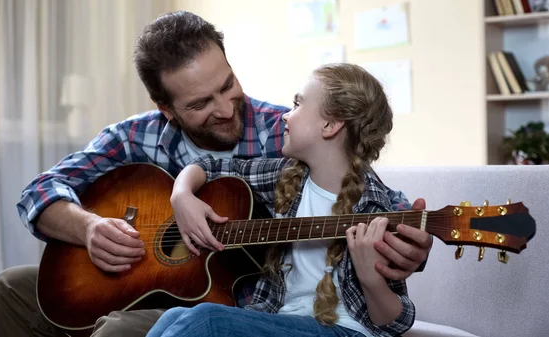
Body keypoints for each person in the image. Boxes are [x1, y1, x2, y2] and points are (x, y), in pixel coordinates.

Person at [0, 11, 432, 337]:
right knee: (11, 287)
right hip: (143, 281)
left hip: (228, 301)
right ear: (166, 109)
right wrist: (91, 227)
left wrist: (409, 250)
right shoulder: (134, 136)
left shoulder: (285, 135)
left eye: (227, 85)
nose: (225, 109)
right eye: (200, 104)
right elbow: (38, 191)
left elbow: (354, 191)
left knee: (125, 329)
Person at [147, 62, 415, 337]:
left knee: (206, 320)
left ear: (330, 124)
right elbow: (211, 166)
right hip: (283, 321)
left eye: (298, 105)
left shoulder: (373, 207)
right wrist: (181, 194)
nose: (286, 116)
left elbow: (394, 322)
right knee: (175, 315)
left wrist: (370, 278)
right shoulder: (287, 177)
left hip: (346, 331)